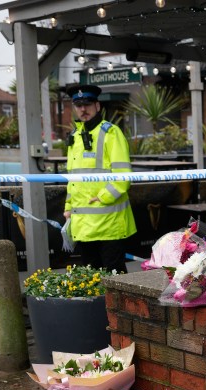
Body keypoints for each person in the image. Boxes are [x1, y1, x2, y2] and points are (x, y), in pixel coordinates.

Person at [63, 84, 136, 273]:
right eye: (78, 105)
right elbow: (73, 178)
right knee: (91, 278)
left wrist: (103, 197)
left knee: (116, 278)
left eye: (87, 104)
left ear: (98, 106)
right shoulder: (74, 136)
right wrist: (68, 207)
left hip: (109, 222)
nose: (83, 109)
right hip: (83, 223)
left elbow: (123, 176)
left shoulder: (111, 133)